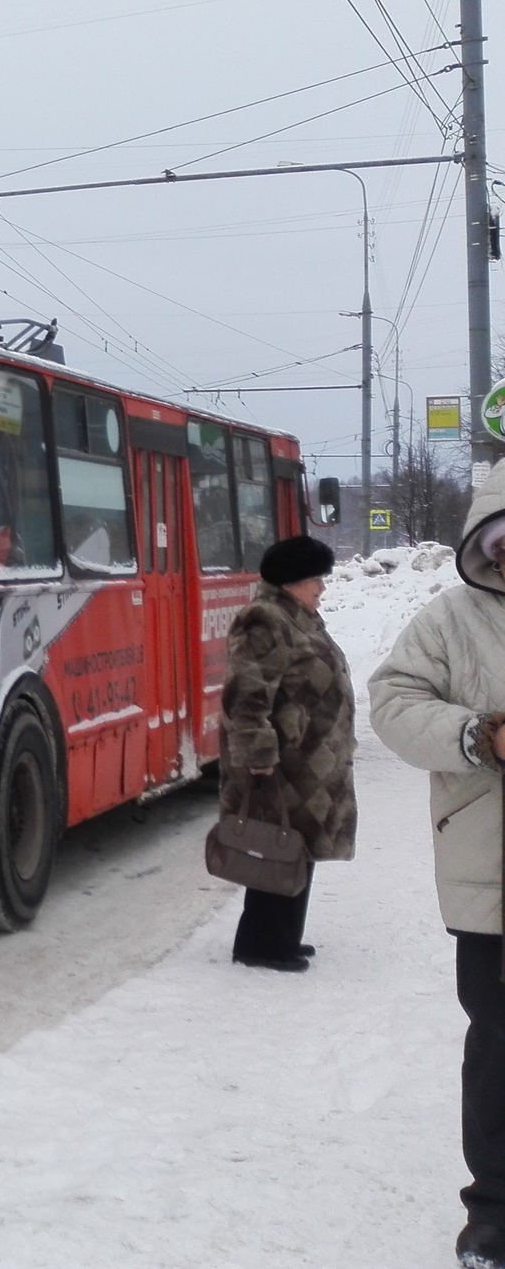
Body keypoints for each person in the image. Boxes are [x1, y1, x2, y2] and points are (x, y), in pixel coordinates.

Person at [371, 466, 505, 1269]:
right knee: (499, 1043)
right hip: (492, 880)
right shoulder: (451, 620)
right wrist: (478, 737)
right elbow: (393, 701)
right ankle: (493, 1211)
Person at [219, 533, 357, 974]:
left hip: (307, 763)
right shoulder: (265, 620)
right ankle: (260, 944)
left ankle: (283, 938)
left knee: (297, 847)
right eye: (315, 578)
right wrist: (260, 756)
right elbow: (247, 696)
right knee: (276, 847)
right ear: (292, 580)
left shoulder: (299, 617)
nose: (321, 586)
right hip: (281, 764)